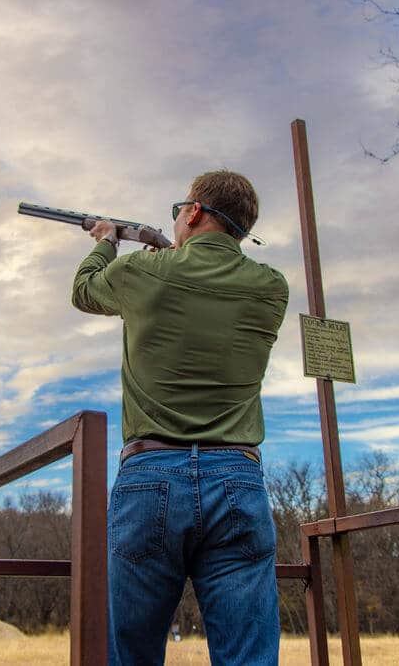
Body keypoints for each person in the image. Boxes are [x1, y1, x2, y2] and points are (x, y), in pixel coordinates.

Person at [71, 170, 289, 665]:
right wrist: (166, 257)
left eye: (179, 208)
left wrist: (107, 242)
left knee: (132, 655)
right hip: (238, 477)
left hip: (149, 478)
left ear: (193, 212)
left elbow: (84, 291)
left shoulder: (142, 274)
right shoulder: (271, 287)